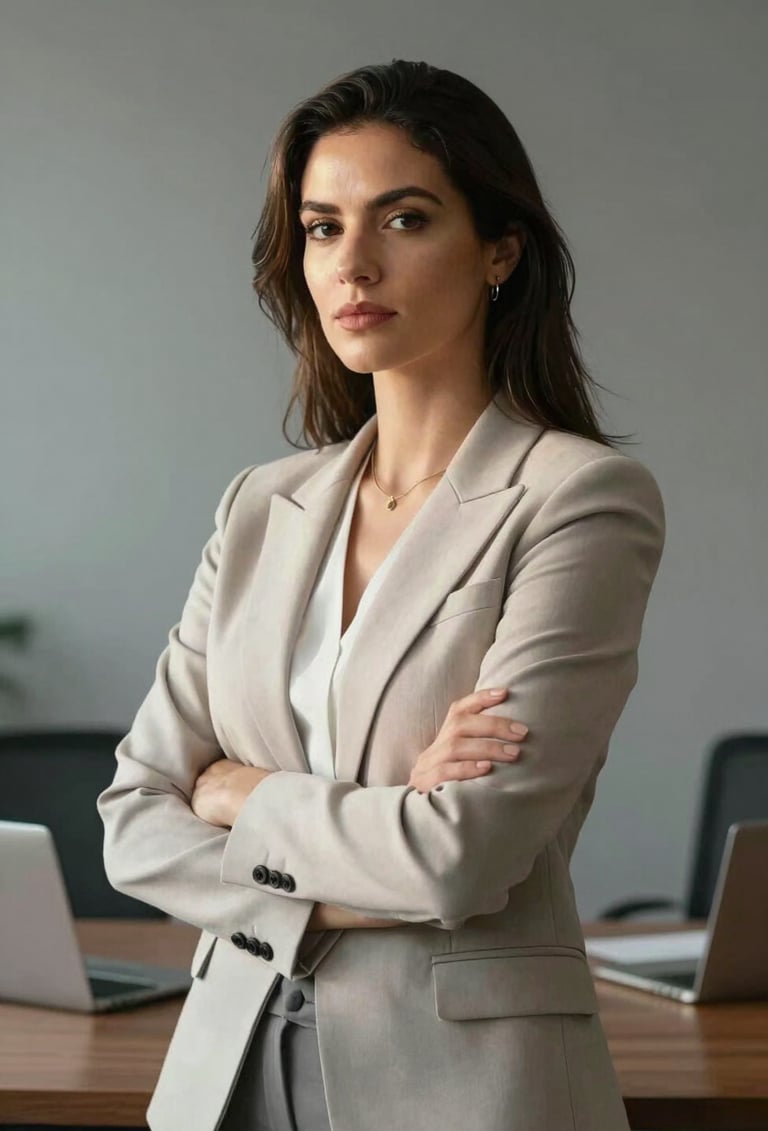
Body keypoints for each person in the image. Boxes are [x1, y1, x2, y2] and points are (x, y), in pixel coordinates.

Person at [97, 58, 665, 1131]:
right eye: (321, 228)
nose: (353, 264)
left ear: (499, 249)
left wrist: (235, 791)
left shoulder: (580, 500)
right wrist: (379, 846)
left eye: (403, 219)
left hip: (461, 1088)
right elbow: (133, 819)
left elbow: (463, 856)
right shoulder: (260, 505)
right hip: (226, 1069)